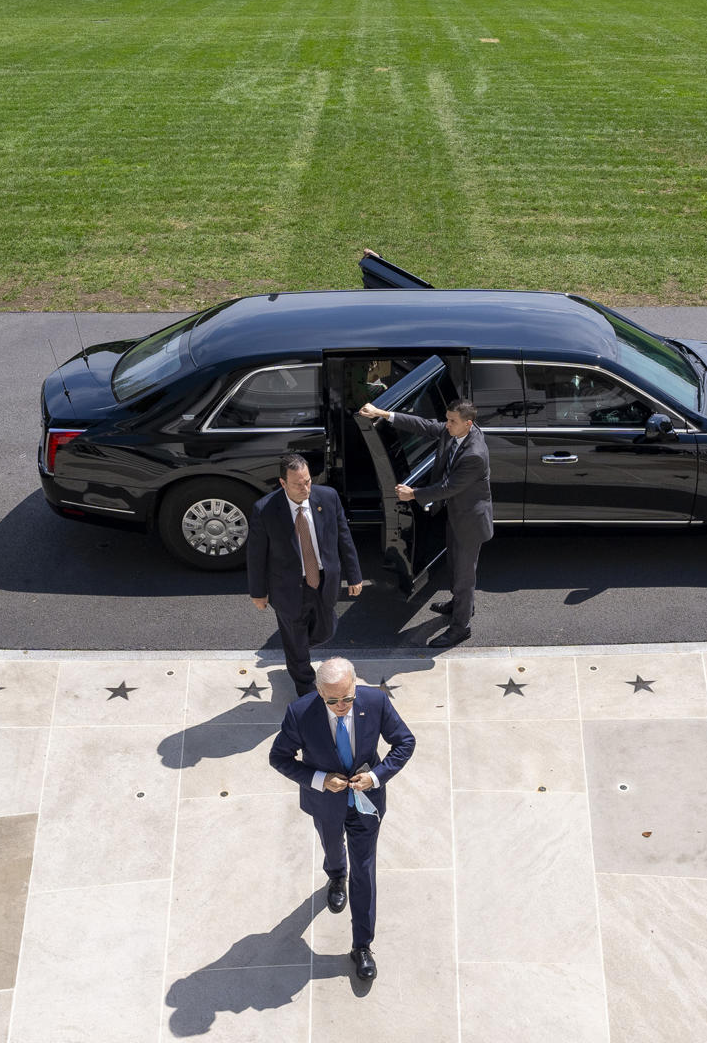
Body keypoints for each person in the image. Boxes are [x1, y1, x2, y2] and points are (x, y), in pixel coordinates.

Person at [268, 657, 414, 983]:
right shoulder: (300, 714)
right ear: (319, 692)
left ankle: (362, 946)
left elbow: (405, 742)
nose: (340, 706)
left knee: (365, 871)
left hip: (366, 804)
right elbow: (278, 757)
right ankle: (336, 876)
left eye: (347, 698)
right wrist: (320, 779)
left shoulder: (375, 701)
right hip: (325, 804)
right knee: (333, 848)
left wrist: (376, 777)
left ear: (354, 686)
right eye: (332, 700)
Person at [357, 398, 492, 647]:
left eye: (451, 421)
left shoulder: (474, 455)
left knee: (464, 576)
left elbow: (448, 487)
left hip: (469, 523)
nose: (446, 424)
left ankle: (461, 627)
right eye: (447, 418)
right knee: (454, 565)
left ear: (468, 424)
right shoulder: (457, 430)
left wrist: (414, 494)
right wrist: (383, 413)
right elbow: (423, 425)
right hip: (457, 515)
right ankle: (461, 605)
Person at [247, 455, 365, 694]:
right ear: (283, 483)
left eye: (308, 481)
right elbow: (256, 555)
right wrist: (258, 593)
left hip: (323, 582)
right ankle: (305, 688)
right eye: (298, 484)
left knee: (326, 630)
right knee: (297, 642)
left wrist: (354, 575)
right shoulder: (265, 510)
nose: (305, 488)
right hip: (288, 588)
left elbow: (344, 537)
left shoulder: (328, 498)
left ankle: (296, 648)